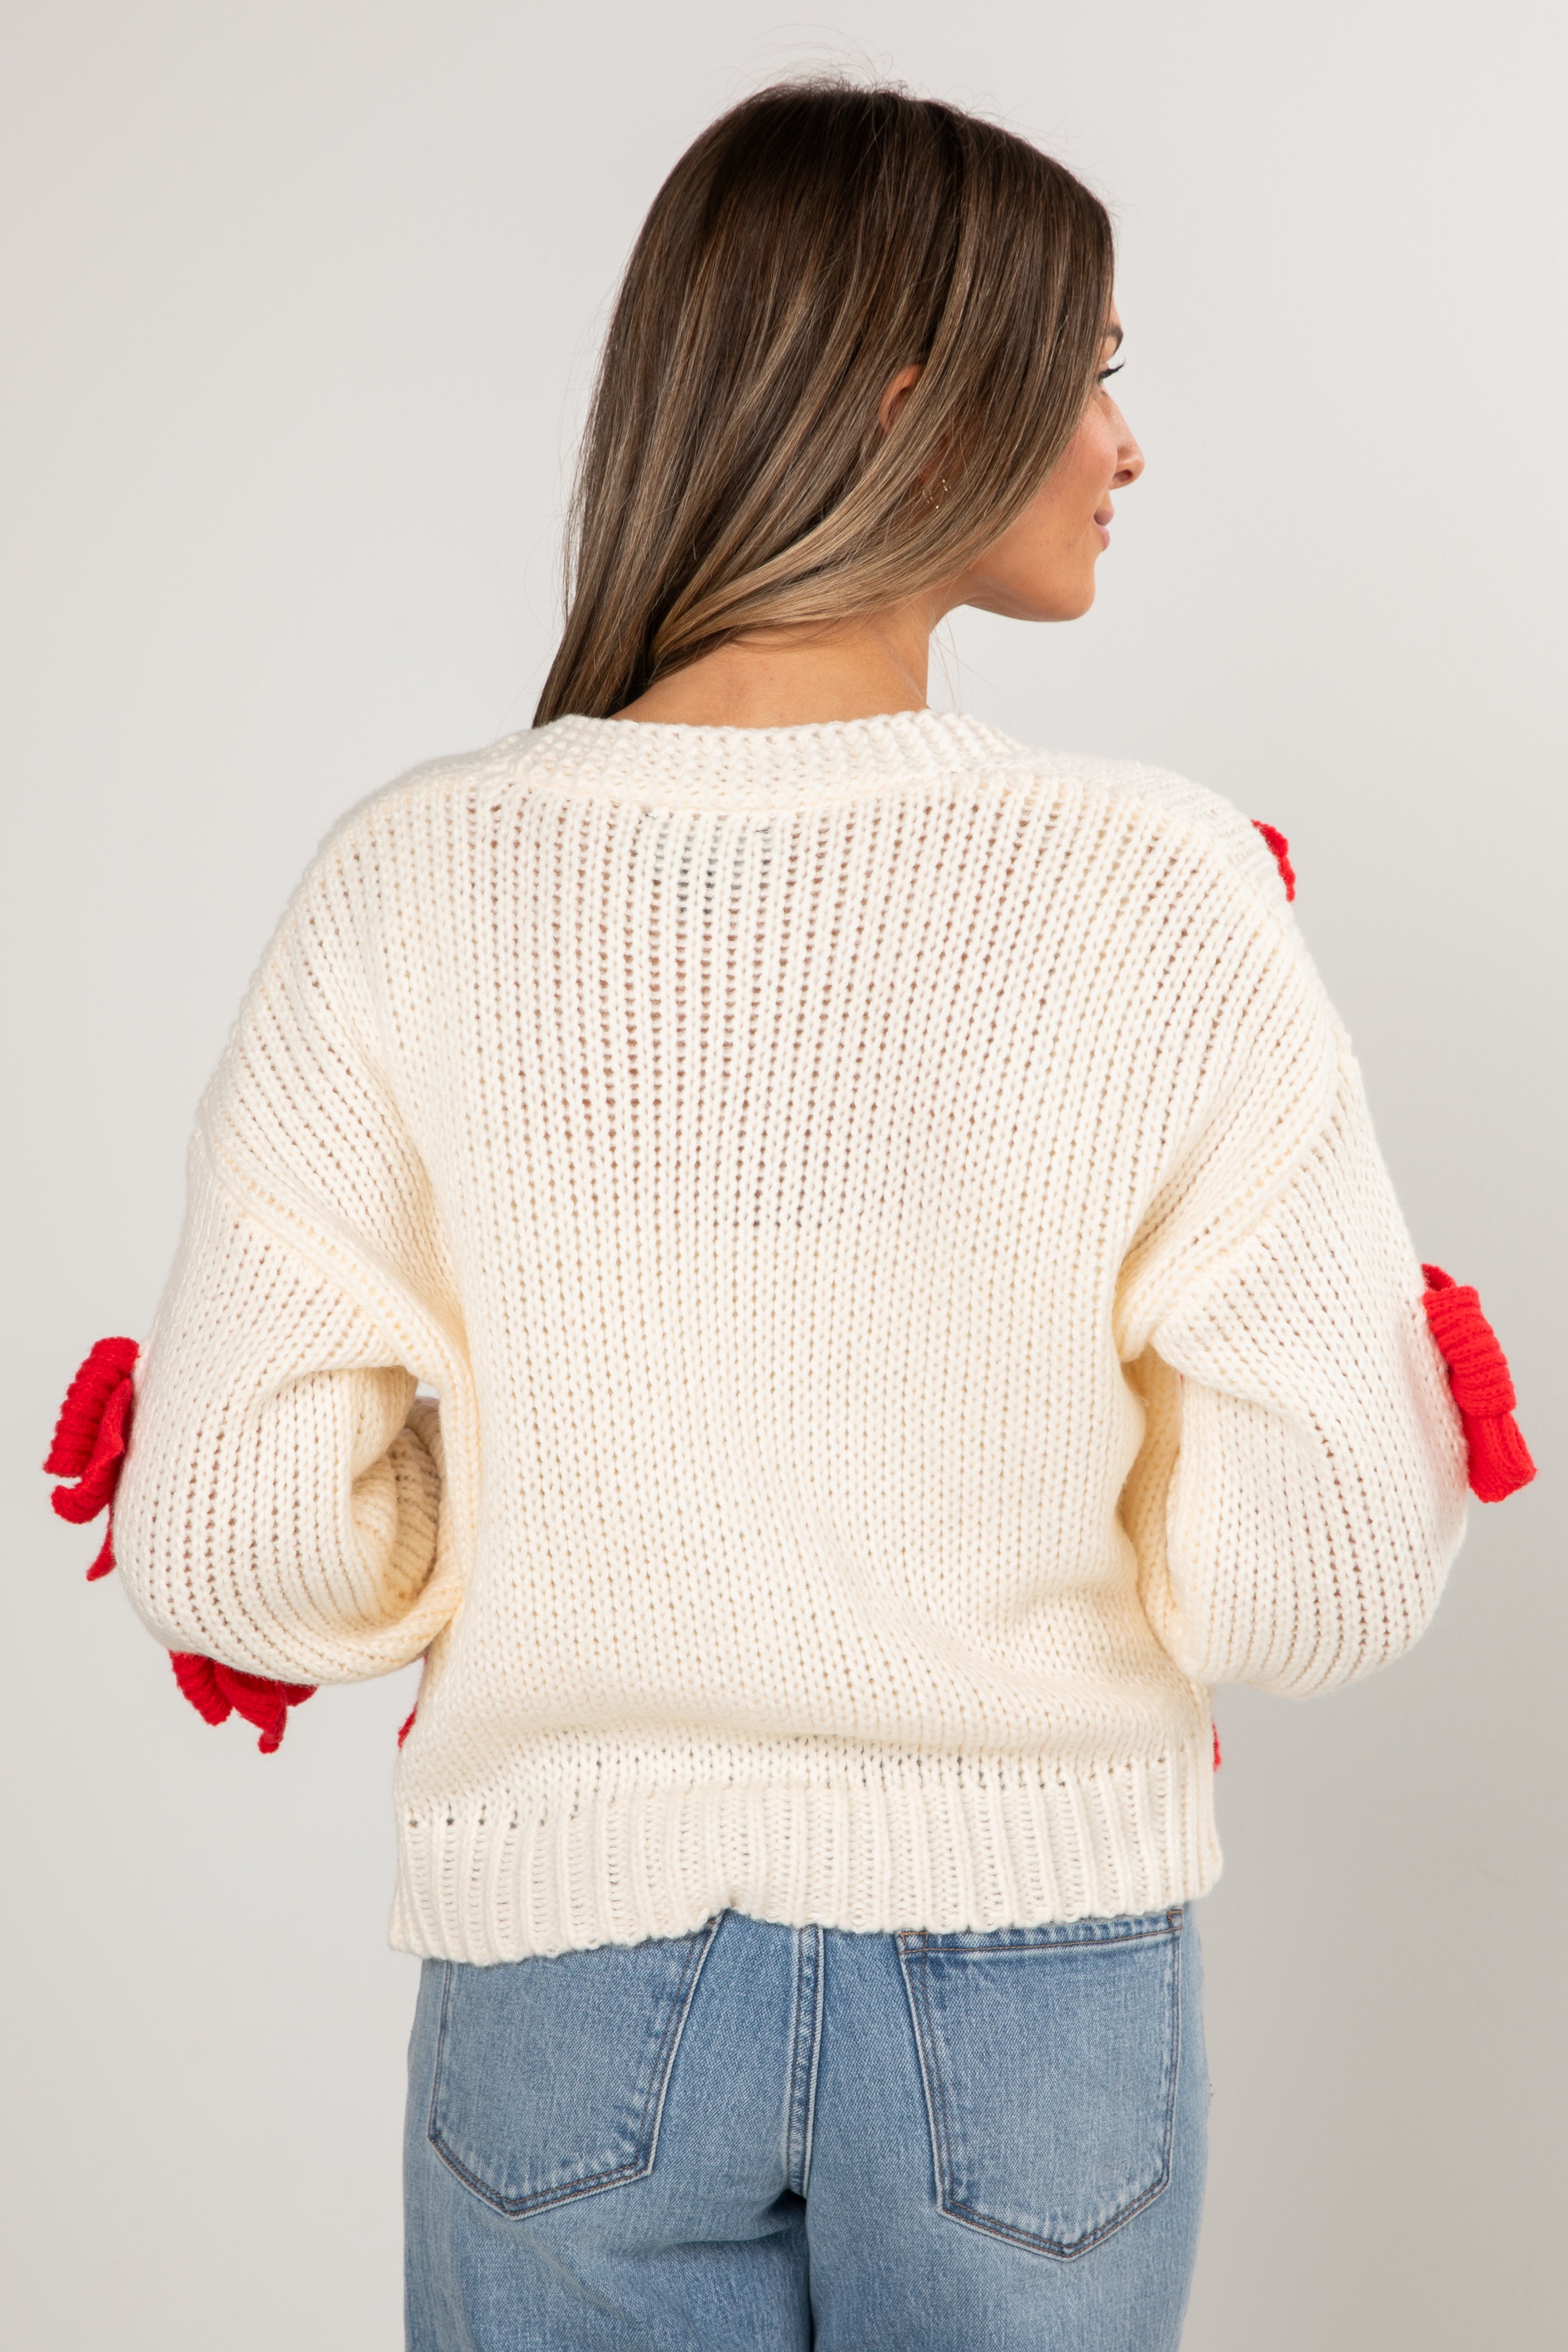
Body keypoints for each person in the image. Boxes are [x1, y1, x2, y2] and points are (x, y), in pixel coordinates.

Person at [48, 78, 1535, 2352]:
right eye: (1091, 370)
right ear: (915, 399)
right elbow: (1304, 1582)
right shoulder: (1154, 885)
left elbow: (240, 1549)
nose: (1127, 444)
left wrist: (547, 1478)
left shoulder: (412, 879)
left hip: (566, 1967)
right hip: (1036, 1986)